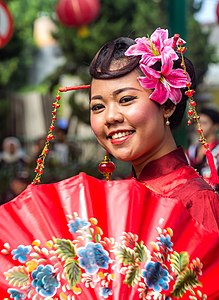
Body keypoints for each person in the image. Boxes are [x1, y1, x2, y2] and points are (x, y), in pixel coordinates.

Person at [1, 28, 219, 299]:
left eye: (126, 99)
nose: (110, 117)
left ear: (167, 105)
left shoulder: (195, 201)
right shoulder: (113, 205)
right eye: (98, 107)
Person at [187, 107, 219, 184]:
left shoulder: (217, 151)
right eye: (198, 123)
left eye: (204, 123)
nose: (199, 126)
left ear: (215, 126)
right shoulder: (192, 150)